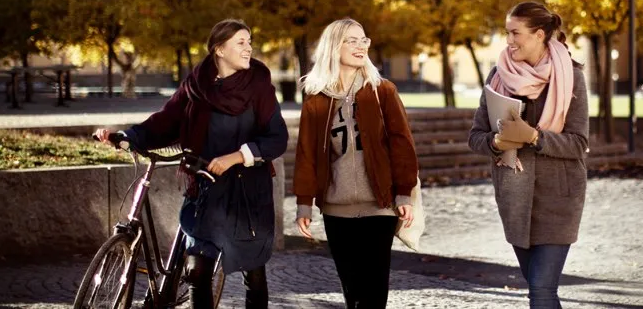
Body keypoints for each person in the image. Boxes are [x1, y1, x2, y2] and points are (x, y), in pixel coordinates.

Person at [95, 19, 288, 309]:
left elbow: (277, 138)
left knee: (254, 274)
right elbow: (167, 120)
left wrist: (236, 157)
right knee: (197, 272)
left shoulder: (259, 85)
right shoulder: (197, 85)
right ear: (219, 50)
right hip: (206, 190)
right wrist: (128, 136)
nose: (249, 48)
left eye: (250, 42)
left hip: (247, 194)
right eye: (241, 43)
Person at [468, 1, 589, 309]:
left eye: (515, 33)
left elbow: (578, 143)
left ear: (539, 34)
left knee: (542, 292)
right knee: (540, 290)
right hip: (514, 198)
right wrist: (497, 141)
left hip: (558, 200)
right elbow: (475, 137)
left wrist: (533, 137)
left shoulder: (571, 76)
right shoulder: (499, 75)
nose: (509, 41)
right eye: (507, 33)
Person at [293, 18, 419, 309]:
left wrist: (404, 192)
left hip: (380, 204)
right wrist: (304, 202)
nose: (360, 46)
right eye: (352, 40)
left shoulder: (382, 91)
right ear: (333, 46)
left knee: (373, 292)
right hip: (336, 209)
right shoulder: (316, 98)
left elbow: (402, 144)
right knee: (352, 292)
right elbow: (307, 153)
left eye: (363, 40)